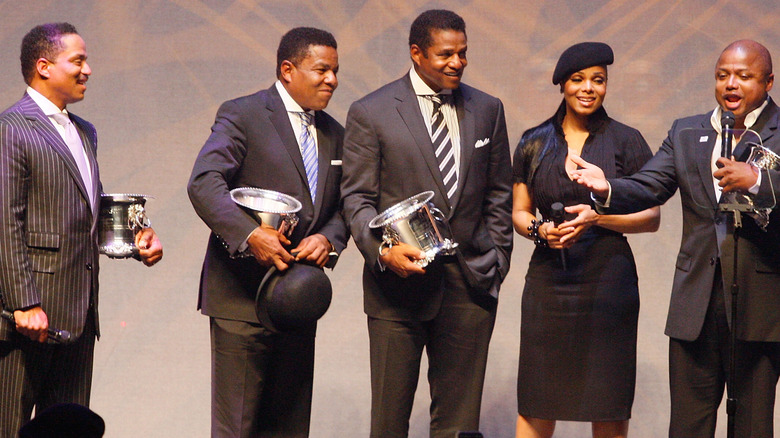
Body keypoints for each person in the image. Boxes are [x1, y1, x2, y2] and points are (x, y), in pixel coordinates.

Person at [570, 39, 780, 437]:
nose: (730, 84)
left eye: (743, 76)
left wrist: (757, 181)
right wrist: (606, 188)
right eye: (722, 76)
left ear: (768, 82)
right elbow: (649, 184)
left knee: (752, 426)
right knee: (687, 425)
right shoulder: (688, 132)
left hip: (760, 305)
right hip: (695, 303)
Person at [340, 9, 513, 437]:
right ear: (417, 53)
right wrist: (383, 251)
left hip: (471, 285)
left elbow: (498, 193)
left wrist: (497, 259)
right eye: (446, 54)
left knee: (459, 425)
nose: (458, 62)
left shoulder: (488, 109)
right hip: (397, 289)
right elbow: (357, 198)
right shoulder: (371, 111)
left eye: (464, 53)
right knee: (389, 421)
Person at [0, 23, 163, 437]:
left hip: (78, 314)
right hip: (29, 318)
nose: (87, 69)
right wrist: (23, 304)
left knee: (68, 430)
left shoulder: (85, 131)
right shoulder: (12, 128)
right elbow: (6, 221)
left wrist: (135, 238)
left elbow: (88, 208)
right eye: (78, 60)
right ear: (43, 66)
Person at [187, 27, 348, 437]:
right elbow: (204, 182)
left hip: (298, 302)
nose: (332, 79)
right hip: (241, 300)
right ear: (288, 69)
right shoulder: (244, 114)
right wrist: (249, 235)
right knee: (237, 427)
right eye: (322, 69)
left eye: (336, 71)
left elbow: (348, 205)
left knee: (290, 427)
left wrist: (329, 238)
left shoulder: (335, 133)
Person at [511, 42, 660, 438]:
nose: (588, 88)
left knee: (607, 402)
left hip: (608, 284)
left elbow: (651, 217)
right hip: (548, 284)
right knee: (537, 398)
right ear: (562, 84)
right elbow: (519, 213)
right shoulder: (534, 141)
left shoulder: (627, 140)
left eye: (598, 80)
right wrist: (540, 232)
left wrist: (598, 218)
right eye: (578, 79)